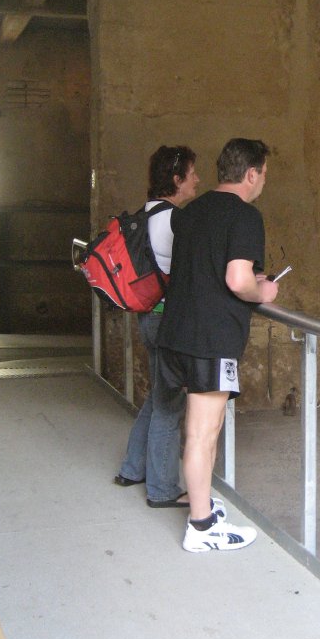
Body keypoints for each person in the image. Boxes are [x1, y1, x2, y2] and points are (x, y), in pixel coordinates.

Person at [157, 138, 279, 551]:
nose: (263, 182)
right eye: (263, 175)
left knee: (194, 431)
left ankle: (202, 503)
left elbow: (203, 268)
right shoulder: (245, 216)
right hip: (210, 338)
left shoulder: (191, 212)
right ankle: (202, 528)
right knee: (202, 434)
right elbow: (236, 280)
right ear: (251, 174)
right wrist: (263, 292)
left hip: (176, 332)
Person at [114, 144, 204, 508]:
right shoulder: (174, 221)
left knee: (157, 395)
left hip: (147, 314)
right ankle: (163, 489)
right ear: (177, 179)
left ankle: (132, 468)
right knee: (170, 404)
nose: (198, 179)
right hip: (167, 319)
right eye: (193, 173)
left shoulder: (145, 215)